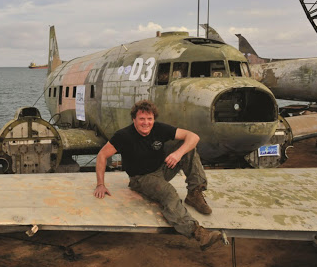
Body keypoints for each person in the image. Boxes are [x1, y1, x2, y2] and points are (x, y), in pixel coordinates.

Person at [93, 100, 222, 251]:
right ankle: (198, 233)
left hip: (161, 169)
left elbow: (193, 137)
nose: (146, 123)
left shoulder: (159, 128)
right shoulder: (123, 135)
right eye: (141, 119)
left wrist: (178, 154)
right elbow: (102, 155)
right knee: (169, 193)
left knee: (188, 149)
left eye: (150, 119)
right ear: (134, 119)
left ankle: (194, 193)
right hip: (141, 178)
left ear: (154, 119)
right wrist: (100, 184)